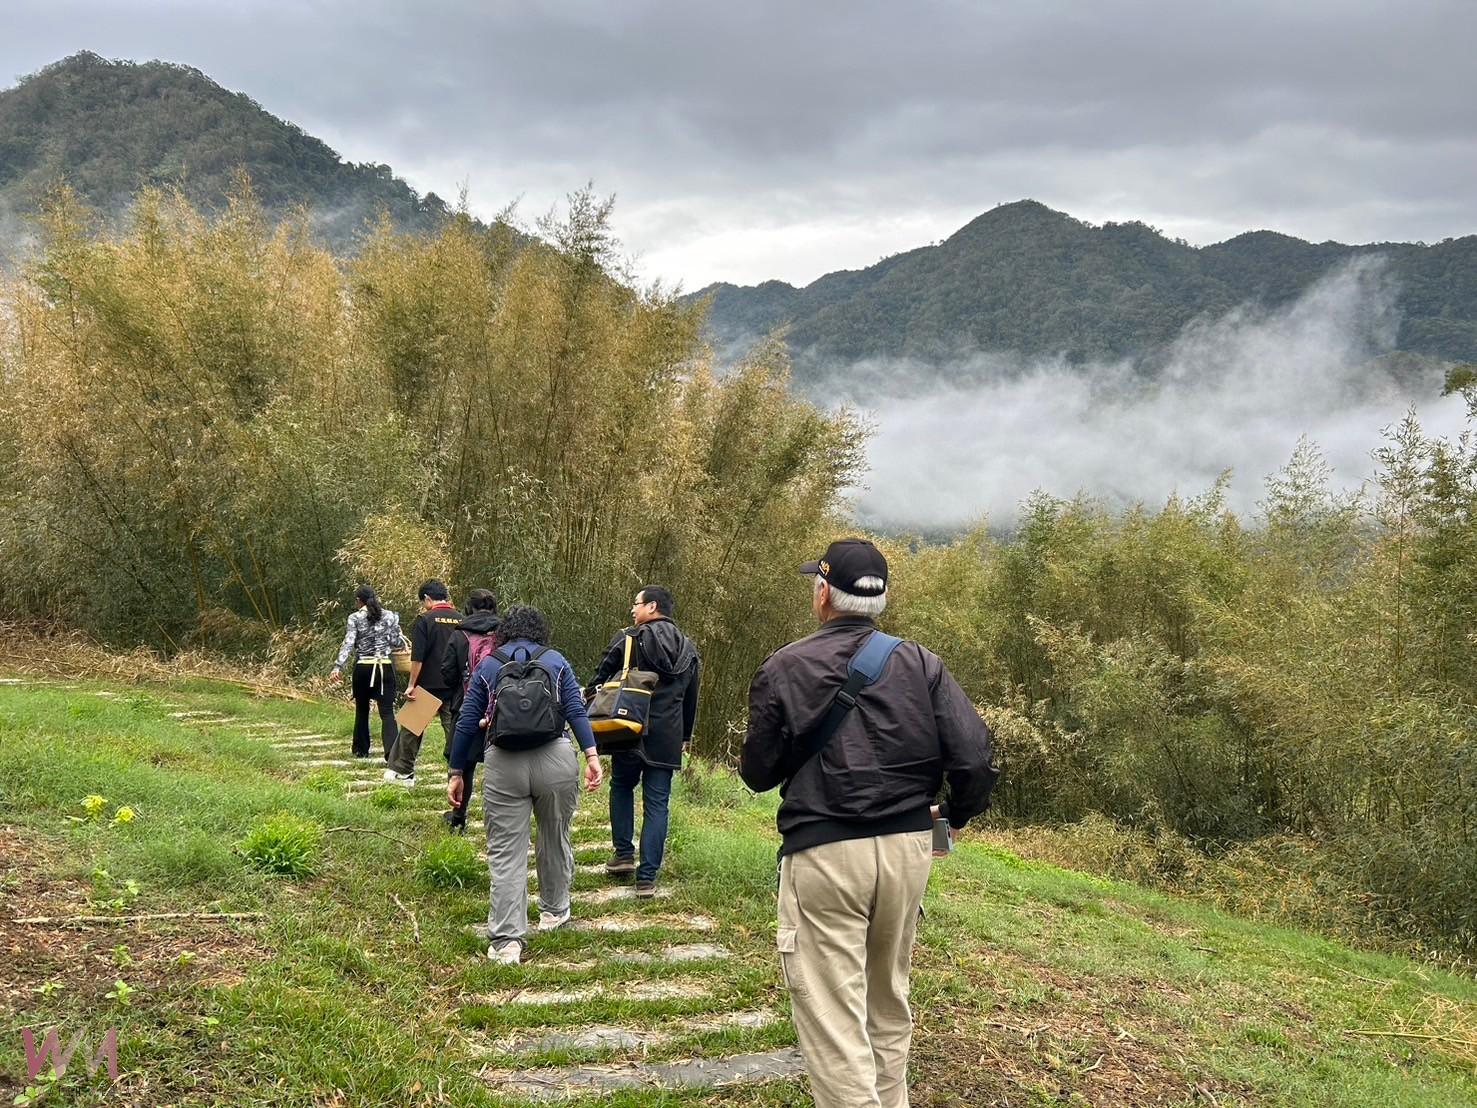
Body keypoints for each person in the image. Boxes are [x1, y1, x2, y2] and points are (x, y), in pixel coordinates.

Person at [739, 538, 997, 1108]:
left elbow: (757, 773)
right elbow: (975, 757)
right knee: (886, 1000)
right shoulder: (921, 663)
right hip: (909, 850)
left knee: (835, 1019)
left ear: (823, 594)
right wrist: (951, 818)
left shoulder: (785, 666)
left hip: (826, 854)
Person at [446, 605, 603, 964]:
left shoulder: (489, 664)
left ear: (504, 633)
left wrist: (457, 772)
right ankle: (554, 910)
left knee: (506, 852)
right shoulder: (556, 661)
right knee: (554, 835)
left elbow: (468, 720)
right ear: (540, 632)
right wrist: (591, 755)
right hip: (556, 758)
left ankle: (506, 941)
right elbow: (577, 711)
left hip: (503, 763)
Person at [587, 585, 699, 898]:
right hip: (667, 734)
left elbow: (599, 676)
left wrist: (591, 698)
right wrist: (685, 736)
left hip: (628, 725)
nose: (632, 610)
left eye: (636, 604)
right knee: (657, 803)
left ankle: (624, 854)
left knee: (622, 786)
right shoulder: (688, 648)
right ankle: (647, 878)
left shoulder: (629, 638)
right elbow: (691, 698)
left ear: (652, 606)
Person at [386, 579, 462, 787]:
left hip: (428, 683)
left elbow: (417, 657)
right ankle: (457, 776)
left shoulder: (425, 619)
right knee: (454, 732)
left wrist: (411, 684)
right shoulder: (460, 619)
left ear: (427, 599)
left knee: (411, 729)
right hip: (454, 686)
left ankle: (405, 771)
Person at [437, 588, 500, 830]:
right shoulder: (504, 632)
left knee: (464, 765)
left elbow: (448, 671)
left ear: (468, 608)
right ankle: (501, 821)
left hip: (467, 704)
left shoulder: (460, 634)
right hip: (501, 707)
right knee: (502, 763)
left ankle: (458, 817)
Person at [328, 585, 403, 760]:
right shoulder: (390, 616)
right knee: (387, 712)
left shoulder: (354, 618)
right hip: (384, 667)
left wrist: (338, 666)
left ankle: (361, 750)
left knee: (362, 710)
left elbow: (348, 643)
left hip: (363, 667)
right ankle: (392, 753)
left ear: (358, 601)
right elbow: (396, 642)